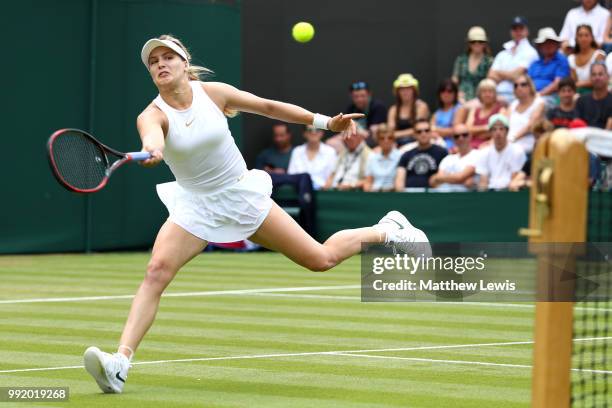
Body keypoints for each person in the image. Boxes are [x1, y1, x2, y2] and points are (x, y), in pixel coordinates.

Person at [82, 34, 431, 394]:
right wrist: (152, 151)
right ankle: (120, 364)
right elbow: (152, 139)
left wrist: (328, 123)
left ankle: (387, 229)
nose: (160, 64)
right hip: (195, 205)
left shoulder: (214, 94)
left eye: (167, 57)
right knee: (155, 272)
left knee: (320, 259)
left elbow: (268, 107)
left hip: (239, 194)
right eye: (153, 61)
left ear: (184, 63)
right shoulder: (151, 115)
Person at [488, 16, 539, 104]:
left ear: (527, 31)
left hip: (515, 97)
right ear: (511, 31)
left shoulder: (531, 52)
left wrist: (499, 73)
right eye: (515, 29)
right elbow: (490, 75)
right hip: (495, 94)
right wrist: (509, 75)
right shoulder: (503, 53)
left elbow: (515, 76)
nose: (518, 32)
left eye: (521, 28)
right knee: (466, 107)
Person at [476, 114, 526, 190]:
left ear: (507, 131)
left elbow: (515, 178)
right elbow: (483, 181)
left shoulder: (517, 150)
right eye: (494, 129)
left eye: (501, 129)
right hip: (490, 192)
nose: (498, 132)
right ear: (490, 132)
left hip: (510, 191)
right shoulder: (484, 153)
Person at [395, 119, 447, 190]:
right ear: (414, 135)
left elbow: (444, 177)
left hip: (433, 194)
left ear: (431, 132)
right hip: (409, 194)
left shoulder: (442, 152)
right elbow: (399, 180)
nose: (423, 134)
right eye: (419, 132)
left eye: (427, 130)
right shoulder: (406, 154)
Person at [429, 123, 480, 192]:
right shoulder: (447, 159)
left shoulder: (478, 155)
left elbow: (460, 178)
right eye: (457, 136)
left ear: (470, 136)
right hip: (445, 198)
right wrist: (459, 179)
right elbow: (433, 181)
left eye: (464, 135)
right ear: (453, 139)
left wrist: (443, 178)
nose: (461, 138)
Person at [528, 27, 570, 108]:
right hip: (531, 96)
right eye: (545, 43)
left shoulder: (561, 60)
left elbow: (558, 83)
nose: (548, 45)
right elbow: (527, 81)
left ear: (556, 44)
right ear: (539, 46)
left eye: (551, 42)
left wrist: (539, 94)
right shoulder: (534, 64)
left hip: (551, 97)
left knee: (537, 105)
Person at [287, 125, 337, 190]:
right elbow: (291, 175)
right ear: (304, 133)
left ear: (322, 133)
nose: (314, 133)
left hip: (323, 193)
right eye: (310, 130)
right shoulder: (297, 151)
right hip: (299, 192)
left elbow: (333, 177)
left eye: (317, 130)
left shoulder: (330, 152)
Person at [452, 26, 494, 104]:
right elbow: (454, 80)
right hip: (460, 99)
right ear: (469, 43)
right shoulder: (461, 60)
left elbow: (489, 82)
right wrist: (457, 94)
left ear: (485, 43)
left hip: (481, 100)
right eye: (473, 42)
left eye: (480, 41)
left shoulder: (489, 61)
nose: (477, 44)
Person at [387, 73, 430, 147]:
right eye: (402, 89)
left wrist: (398, 134)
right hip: (397, 145)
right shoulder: (393, 110)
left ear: (414, 91)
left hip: (417, 144)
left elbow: (418, 129)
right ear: (397, 92)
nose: (405, 92)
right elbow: (390, 133)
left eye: (408, 89)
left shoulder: (422, 106)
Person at [507, 74, 545, 154]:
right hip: (508, 143)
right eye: (515, 85)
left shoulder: (539, 102)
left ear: (530, 86)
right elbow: (505, 125)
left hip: (527, 145)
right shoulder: (513, 104)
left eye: (523, 84)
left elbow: (530, 126)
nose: (519, 88)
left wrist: (512, 139)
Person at [465, 79, 505, 149]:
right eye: (484, 92)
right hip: (470, 145)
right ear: (479, 94)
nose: (487, 94)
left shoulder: (501, 110)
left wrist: (476, 131)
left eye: (490, 91)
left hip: (489, 146)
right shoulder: (474, 110)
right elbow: (467, 130)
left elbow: (499, 131)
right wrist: (486, 127)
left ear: (495, 94)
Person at [568, 24, 606, 95]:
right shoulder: (571, 58)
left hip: (595, 93)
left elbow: (599, 79)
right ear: (576, 38)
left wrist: (580, 84)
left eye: (586, 35)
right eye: (580, 35)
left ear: (592, 38)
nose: (583, 38)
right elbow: (574, 81)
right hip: (577, 93)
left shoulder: (599, 55)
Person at [363, 124, 402, 192]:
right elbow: (368, 182)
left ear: (393, 139)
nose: (386, 141)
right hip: (374, 194)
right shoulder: (372, 157)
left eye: (389, 138)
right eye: (382, 138)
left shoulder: (400, 156)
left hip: (393, 194)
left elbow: (399, 183)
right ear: (378, 140)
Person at [431, 79, 466, 150]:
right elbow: (430, 130)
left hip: (452, 147)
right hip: (435, 143)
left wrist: (436, 130)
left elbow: (456, 131)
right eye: (443, 91)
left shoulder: (460, 109)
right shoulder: (437, 113)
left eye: (450, 91)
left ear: (455, 93)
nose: (446, 94)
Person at [576, 61, 612, 129]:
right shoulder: (581, 101)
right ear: (590, 78)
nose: (597, 77)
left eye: (600, 74)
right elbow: (577, 126)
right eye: (594, 74)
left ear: (607, 77)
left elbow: (609, 129)